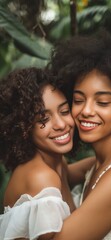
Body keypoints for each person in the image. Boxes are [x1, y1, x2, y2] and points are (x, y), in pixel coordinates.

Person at [49, 30, 111, 239]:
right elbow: (56, 170)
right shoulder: (97, 163)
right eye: (78, 100)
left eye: (102, 102)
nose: (86, 111)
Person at [0, 67, 94, 240]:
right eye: (43, 119)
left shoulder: (53, 161)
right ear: (24, 129)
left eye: (64, 111)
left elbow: (73, 173)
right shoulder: (42, 178)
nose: (60, 124)